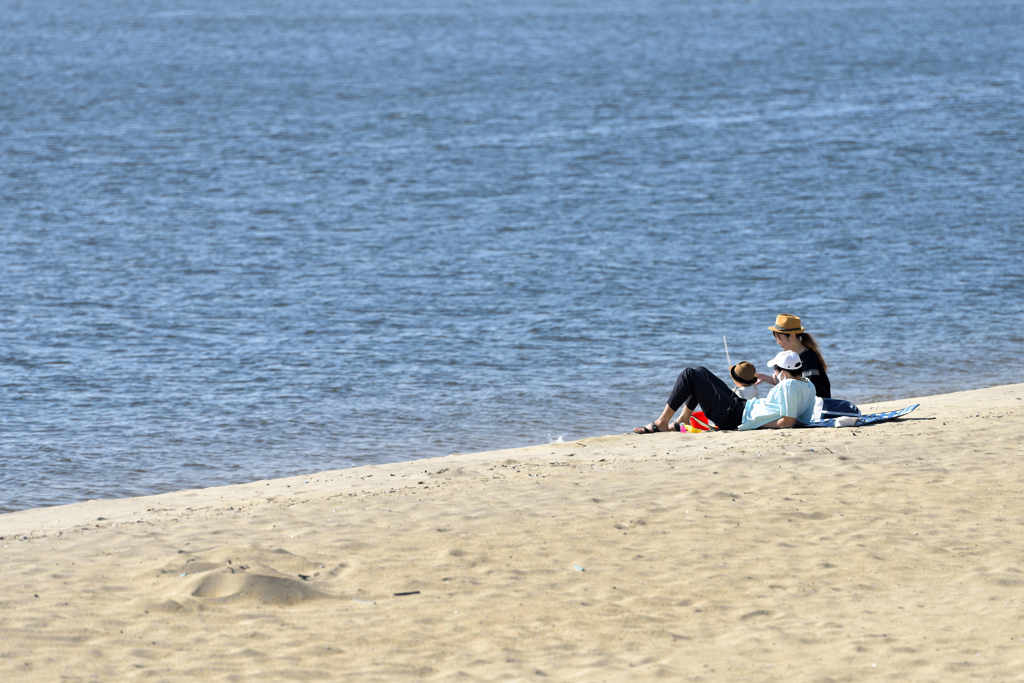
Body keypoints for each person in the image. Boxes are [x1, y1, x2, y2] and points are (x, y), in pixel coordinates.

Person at [632, 350, 816, 433]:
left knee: (689, 374)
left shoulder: (787, 386)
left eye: (775, 370)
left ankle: (662, 422)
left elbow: (788, 423)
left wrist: (750, 426)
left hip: (737, 417)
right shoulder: (807, 384)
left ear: (783, 371)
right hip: (744, 408)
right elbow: (803, 419)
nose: (773, 374)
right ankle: (683, 419)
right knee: (700, 371)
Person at [755, 313, 831, 398]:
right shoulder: (789, 356)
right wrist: (766, 378)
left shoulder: (808, 358)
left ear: (792, 336)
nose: (777, 342)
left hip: (816, 408)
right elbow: (793, 384)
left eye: (779, 338)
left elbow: (812, 391)